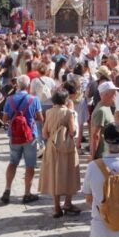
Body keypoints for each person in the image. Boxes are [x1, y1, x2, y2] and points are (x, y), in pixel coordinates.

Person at [39, 88, 81, 218]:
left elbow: (44, 134)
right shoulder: (69, 113)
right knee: (70, 173)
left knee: (53, 174)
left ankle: (56, 207)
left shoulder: (49, 112)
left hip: (52, 146)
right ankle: (68, 203)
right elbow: (73, 132)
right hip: (67, 147)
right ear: (65, 99)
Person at [2, 74, 43, 204]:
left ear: (17, 85)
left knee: (12, 162)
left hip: (14, 135)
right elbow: (40, 118)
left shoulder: (10, 99)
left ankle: (7, 188)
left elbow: (5, 119)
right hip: (29, 135)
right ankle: (27, 193)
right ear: (29, 85)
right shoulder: (34, 99)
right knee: (30, 165)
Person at [91, 81, 119, 160]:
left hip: (108, 152)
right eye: (114, 93)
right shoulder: (101, 110)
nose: (116, 95)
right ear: (106, 95)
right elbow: (95, 136)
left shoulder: (107, 106)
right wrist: (93, 156)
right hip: (102, 154)